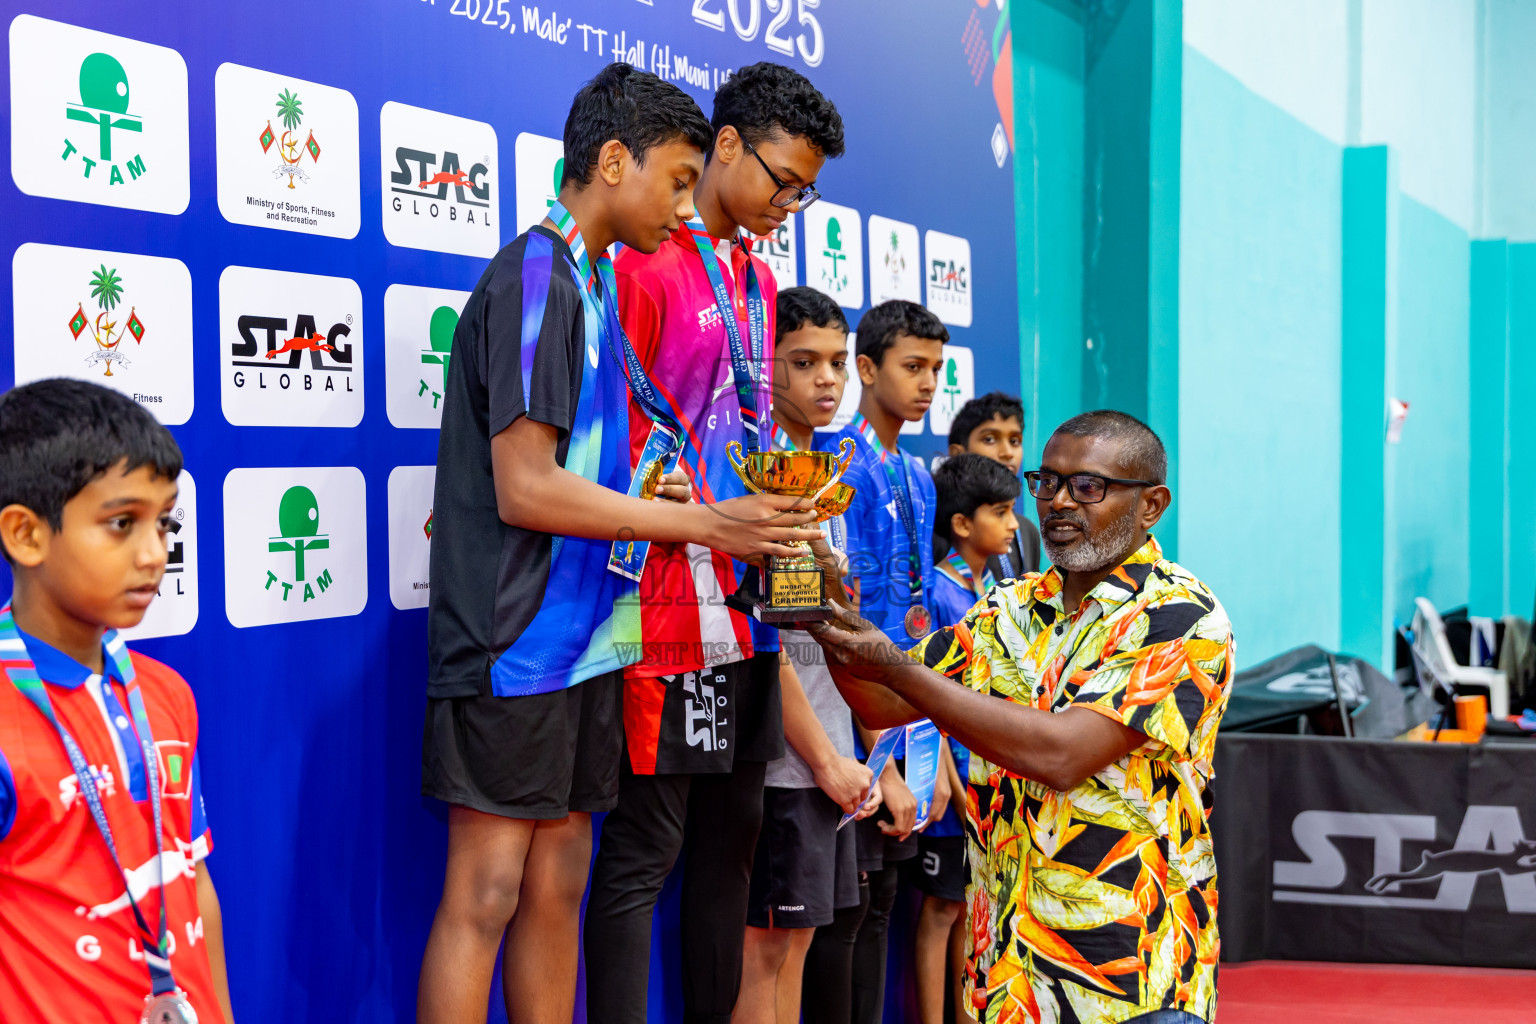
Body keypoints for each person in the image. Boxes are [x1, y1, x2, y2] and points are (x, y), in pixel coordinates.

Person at [418, 63, 818, 1024]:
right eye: (678, 180)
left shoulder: (593, 285)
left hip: (592, 637)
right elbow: (524, 487)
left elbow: (584, 467)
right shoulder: (536, 276)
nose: (686, 206)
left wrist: (654, 487)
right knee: (486, 892)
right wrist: (703, 522)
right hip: (510, 641)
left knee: (560, 877)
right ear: (611, 160)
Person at [805, 411, 1235, 1024]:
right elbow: (882, 701)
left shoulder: (1181, 616)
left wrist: (892, 667)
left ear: (1151, 505)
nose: (1059, 502)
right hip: (1004, 977)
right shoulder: (1008, 609)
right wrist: (827, 613)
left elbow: (1062, 756)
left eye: (1088, 487)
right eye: (1048, 482)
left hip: (1129, 972)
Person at [584, 62, 845, 1024]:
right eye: (783, 179)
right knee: (646, 847)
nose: (790, 203)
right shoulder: (642, 264)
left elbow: (737, 427)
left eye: (805, 190)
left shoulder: (759, 277)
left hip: (747, 597)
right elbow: (608, 439)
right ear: (725, 146)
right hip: (653, 596)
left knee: (734, 839)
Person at [0, 378, 235, 1023]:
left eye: (164, 522)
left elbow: (194, 887)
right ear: (26, 535)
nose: (155, 553)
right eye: (122, 524)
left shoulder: (166, 694)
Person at [735, 287, 880, 1024]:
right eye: (803, 361)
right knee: (767, 952)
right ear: (765, 369)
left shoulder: (826, 478)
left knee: (799, 947)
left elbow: (830, 628)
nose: (827, 379)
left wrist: (861, 746)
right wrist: (825, 758)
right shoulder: (756, 480)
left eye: (834, 362)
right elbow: (765, 645)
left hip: (830, 751)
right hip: (787, 762)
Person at [817, 299, 948, 1024]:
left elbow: (918, 625)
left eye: (937, 368)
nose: (929, 383)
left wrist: (935, 758)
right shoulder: (843, 468)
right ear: (866, 369)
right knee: (850, 917)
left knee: (887, 907)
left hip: (914, 731)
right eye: (913, 367)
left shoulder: (921, 478)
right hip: (857, 732)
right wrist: (884, 761)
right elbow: (844, 624)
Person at [912, 453, 1021, 1024]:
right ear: (961, 524)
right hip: (953, 786)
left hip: (988, 780)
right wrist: (950, 786)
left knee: (968, 909)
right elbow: (930, 701)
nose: (1012, 524)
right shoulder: (937, 591)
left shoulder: (993, 589)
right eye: (1000, 512)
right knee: (939, 910)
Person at [942, 392, 1040, 579]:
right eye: (989, 439)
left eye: (1014, 441)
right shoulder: (941, 529)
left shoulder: (1026, 531)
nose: (1007, 452)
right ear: (957, 453)